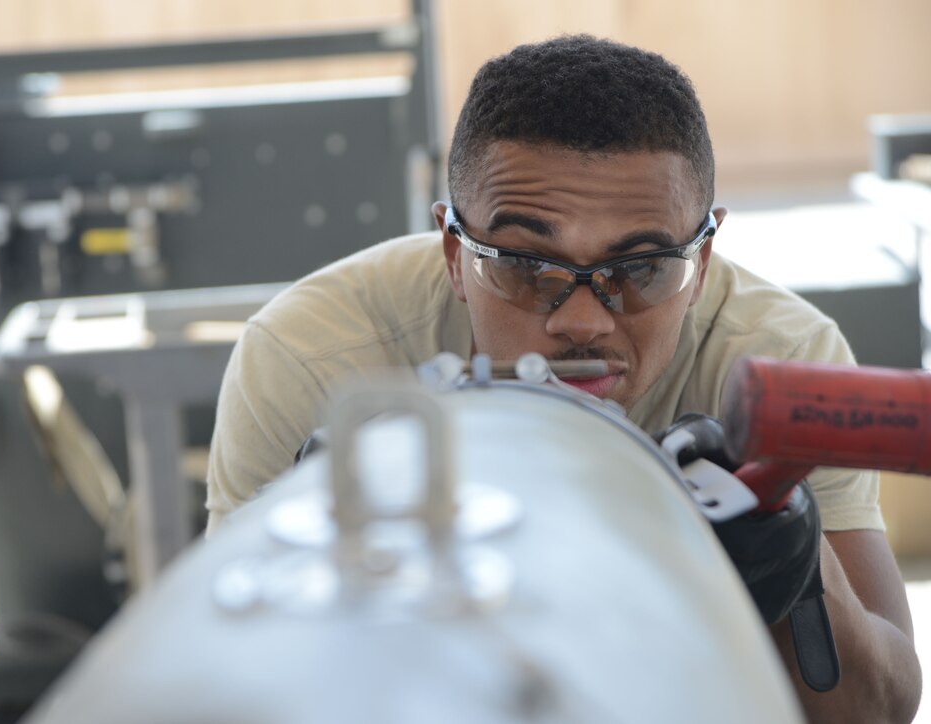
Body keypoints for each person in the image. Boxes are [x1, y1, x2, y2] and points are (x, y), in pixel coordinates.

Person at [206, 34, 921, 722]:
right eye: (524, 267)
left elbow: (882, 711)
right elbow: (223, 690)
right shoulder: (314, 359)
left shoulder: (781, 363)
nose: (583, 321)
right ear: (454, 253)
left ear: (701, 264)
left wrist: (796, 567)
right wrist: (312, 558)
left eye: (642, 268)